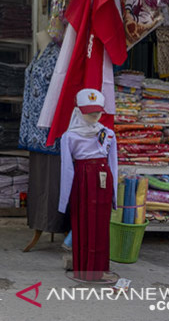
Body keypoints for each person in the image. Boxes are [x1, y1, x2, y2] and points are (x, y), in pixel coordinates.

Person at [58, 88, 118, 281]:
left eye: (97, 111)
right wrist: (64, 199)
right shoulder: (69, 136)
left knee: (101, 222)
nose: (94, 115)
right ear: (78, 111)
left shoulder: (108, 134)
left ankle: (101, 269)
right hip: (82, 180)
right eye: (89, 111)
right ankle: (84, 269)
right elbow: (67, 168)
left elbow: (113, 165)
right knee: (83, 221)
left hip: (103, 179)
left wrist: (114, 194)